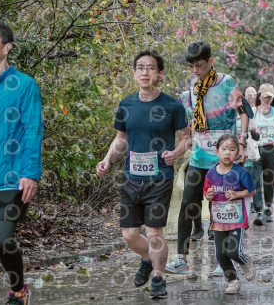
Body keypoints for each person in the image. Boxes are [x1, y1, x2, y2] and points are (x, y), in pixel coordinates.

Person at [96, 49, 191, 299]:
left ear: (160, 74)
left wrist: (175, 153)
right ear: (134, 73)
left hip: (160, 178)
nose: (145, 72)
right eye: (140, 67)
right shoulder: (126, 104)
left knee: (154, 232)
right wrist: (107, 160)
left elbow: (185, 138)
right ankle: (149, 259)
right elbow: (121, 139)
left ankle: (158, 278)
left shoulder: (172, 106)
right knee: (129, 235)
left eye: (150, 68)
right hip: (131, 178)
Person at [166, 41, 250, 275]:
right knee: (188, 203)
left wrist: (242, 144)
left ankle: (225, 261)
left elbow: (243, 113)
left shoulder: (227, 83)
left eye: (200, 66)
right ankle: (181, 259)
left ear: (210, 62)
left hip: (223, 158)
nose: (195, 70)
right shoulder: (193, 86)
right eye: (192, 66)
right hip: (199, 156)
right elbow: (194, 119)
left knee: (221, 205)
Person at [0, 19, 43, 305]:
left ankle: (19, 288)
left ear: (7, 47)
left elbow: (33, 129)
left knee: (0, 239)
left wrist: (31, 173)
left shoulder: (24, 85)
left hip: (11, 180)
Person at [204, 134, 256, 294]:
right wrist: (209, 195)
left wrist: (237, 194)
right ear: (217, 151)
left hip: (236, 218)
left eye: (232, 150)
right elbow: (206, 193)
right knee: (220, 254)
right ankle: (233, 280)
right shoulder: (210, 173)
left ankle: (245, 262)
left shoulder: (241, 172)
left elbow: (252, 191)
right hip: (218, 220)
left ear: (237, 154)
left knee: (234, 251)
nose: (227, 153)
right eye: (224, 149)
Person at [249, 83, 274, 225]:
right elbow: (246, 127)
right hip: (256, 149)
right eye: (265, 97)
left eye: (270, 97)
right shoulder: (253, 111)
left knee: (269, 180)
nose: (267, 100)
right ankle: (258, 210)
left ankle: (268, 208)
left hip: (270, 150)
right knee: (255, 180)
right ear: (260, 96)